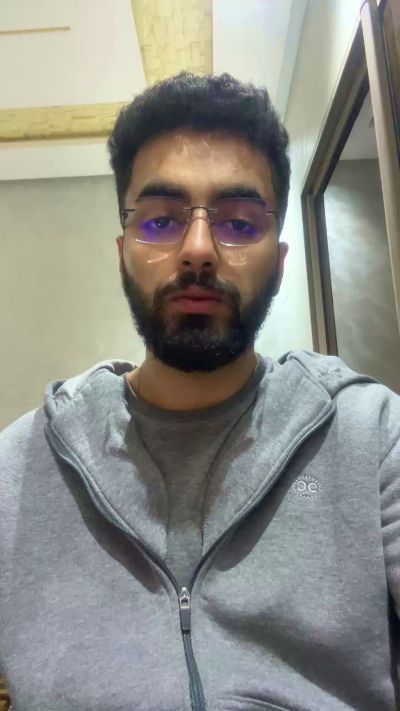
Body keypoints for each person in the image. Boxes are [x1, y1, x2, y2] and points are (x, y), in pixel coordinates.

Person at [0, 72, 399, 711]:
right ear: (122, 252)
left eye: (238, 223)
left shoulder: (371, 434)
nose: (197, 250)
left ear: (280, 261)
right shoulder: (18, 467)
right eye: (161, 220)